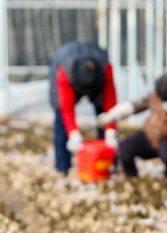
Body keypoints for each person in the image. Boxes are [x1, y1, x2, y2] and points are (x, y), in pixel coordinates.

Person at [47, 41, 119, 174]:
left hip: (97, 80)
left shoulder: (105, 67)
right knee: (61, 121)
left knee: (103, 117)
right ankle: (62, 167)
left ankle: (108, 164)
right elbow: (66, 107)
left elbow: (110, 101)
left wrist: (111, 132)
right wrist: (73, 133)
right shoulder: (63, 72)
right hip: (63, 70)